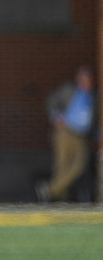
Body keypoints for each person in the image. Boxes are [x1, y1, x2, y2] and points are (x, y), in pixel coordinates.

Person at [37, 65, 96, 203]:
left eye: (89, 79)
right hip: (65, 132)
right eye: (84, 79)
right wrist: (56, 118)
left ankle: (50, 191)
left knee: (79, 165)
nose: (86, 82)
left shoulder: (95, 95)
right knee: (62, 165)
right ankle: (62, 197)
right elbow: (51, 101)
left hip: (82, 135)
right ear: (78, 79)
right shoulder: (69, 90)